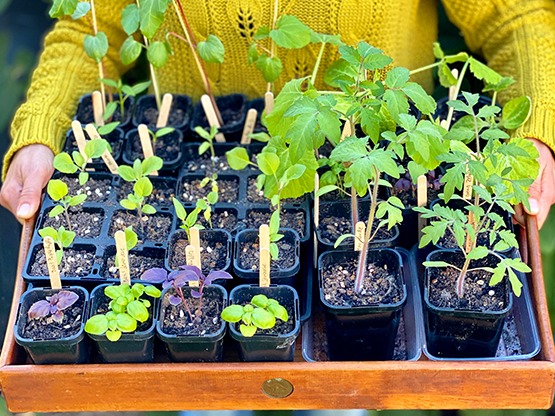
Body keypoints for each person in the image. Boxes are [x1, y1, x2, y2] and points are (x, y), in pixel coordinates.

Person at [1, 0, 554, 227]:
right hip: (199, 155)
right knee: (205, 367)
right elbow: (88, 26)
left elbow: (515, 16)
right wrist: (42, 128)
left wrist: (534, 133)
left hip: (384, 158)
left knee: (351, 368)